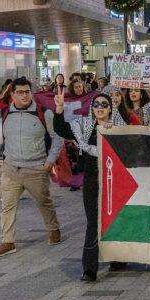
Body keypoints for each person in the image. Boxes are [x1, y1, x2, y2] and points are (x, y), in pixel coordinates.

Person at [53, 88, 127, 282]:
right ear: (92, 108)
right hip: (92, 180)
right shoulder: (84, 127)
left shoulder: (120, 128)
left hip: (116, 181)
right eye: (96, 104)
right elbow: (61, 129)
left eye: (104, 105)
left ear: (111, 109)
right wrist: (59, 109)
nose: (100, 108)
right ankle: (89, 269)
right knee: (93, 222)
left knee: (115, 220)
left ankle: (117, 258)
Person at [0, 77, 63, 257]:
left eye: (27, 91)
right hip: (11, 168)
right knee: (7, 206)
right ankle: (7, 241)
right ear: (12, 94)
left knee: (44, 202)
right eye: (20, 92)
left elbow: (58, 138)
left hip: (36, 168)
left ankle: (53, 228)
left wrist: (50, 160)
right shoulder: (4, 114)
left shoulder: (44, 113)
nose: (24, 95)